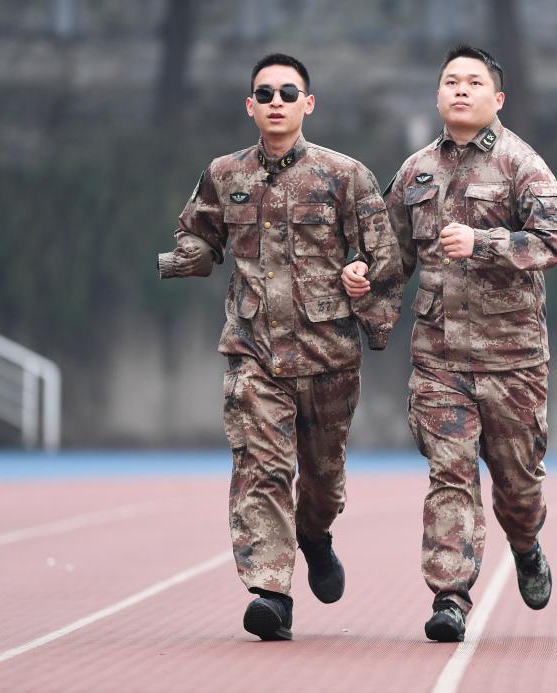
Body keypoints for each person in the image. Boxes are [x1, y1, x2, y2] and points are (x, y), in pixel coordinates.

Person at [157, 53, 402, 641]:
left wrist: (362, 278)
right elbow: (197, 233)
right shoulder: (225, 174)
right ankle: (271, 592)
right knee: (261, 468)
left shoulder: (345, 176)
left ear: (307, 104)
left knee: (323, 480)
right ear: (249, 105)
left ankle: (315, 534)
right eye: (264, 93)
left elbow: (385, 255)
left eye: (288, 93)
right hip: (255, 351)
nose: (276, 102)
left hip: (328, 357)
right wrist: (181, 259)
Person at [342, 45, 557, 642]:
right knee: (450, 475)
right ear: (438, 95)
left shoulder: (522, 164)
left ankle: (526, 543)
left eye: (474, 82)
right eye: (451, 81)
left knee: (518, 484)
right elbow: (390, 255)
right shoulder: (416, 172)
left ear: (498, 98)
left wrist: (484, 242)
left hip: (513, 360)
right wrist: (363, 279)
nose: (461, 90)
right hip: (439, 359)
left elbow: (556, 241)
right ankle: (450, 596)